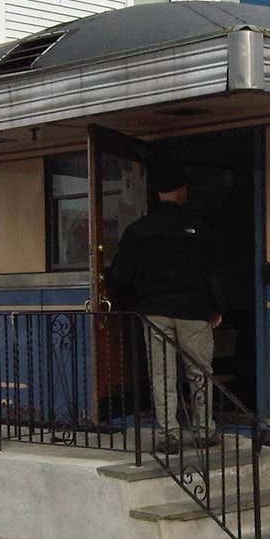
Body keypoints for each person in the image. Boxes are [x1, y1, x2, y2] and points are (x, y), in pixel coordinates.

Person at [105, 163, 223, 455]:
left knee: (162, 376)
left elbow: (119, 276)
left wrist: (133, 304)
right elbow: (213, 272)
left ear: (157, 193)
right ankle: (204, 431)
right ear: (182, 191)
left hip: (155, 311)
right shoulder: (199, 228)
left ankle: (168, 435)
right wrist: (217, 307)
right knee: (199, 372)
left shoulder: (138, 230)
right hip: (194, 310)